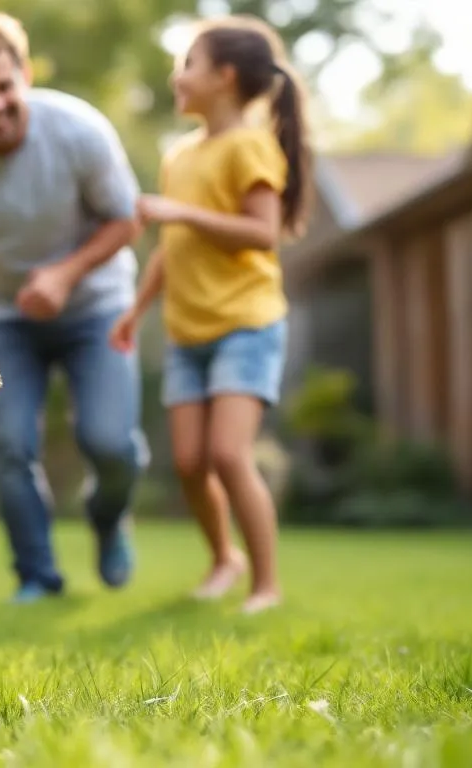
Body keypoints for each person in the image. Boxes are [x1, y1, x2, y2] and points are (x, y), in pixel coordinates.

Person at [0, 9, 150, 603]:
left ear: (23, 73)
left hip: (98, 305)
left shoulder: (79, 129)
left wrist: (66, 274)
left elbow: (126, 221)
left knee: (110, 443)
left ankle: (108, 515)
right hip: (7, 318)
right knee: (10, 443)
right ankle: (37, 575)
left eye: (2, 87)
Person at [109, 15, 312, 614]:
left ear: (224, 77)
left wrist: (181, 213)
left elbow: (262, 233)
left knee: (228, 454)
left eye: (188, 63)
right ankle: (225, 557)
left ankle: (266, 586)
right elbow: (173, 252)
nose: (178, 76)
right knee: (192, 463)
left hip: (246, 323)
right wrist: (136, 310)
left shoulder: (249, 146)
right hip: (186, 330)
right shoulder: (180, 155)